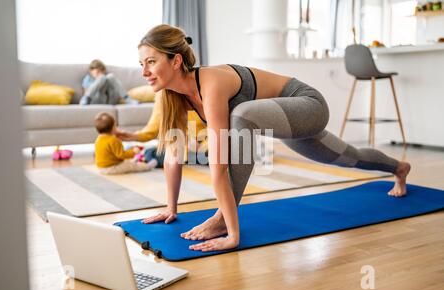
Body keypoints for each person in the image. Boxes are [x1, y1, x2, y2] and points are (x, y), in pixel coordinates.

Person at [137, 24, 411, 252]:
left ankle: (223, 220)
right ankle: (398, 168)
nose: (144, 71)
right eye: (141, 63)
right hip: (280, 121)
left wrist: (231, 233)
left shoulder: (210, 83)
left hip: (306, 104)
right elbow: (174, 154)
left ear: (176, 60)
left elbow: (220, 166)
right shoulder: (171, 97)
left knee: (242, 115)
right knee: (346, 156)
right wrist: (170, 208)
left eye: (151, 61)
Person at [116, 91, 209, 165]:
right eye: (142, 65)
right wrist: (134, 136)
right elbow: (153, 128)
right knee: (152, 153)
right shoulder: (162, 94)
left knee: (215, 154)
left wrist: (201, 144)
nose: (145, 72)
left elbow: (217, 125)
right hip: (183, 147)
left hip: (206, 143)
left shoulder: (200, 90)